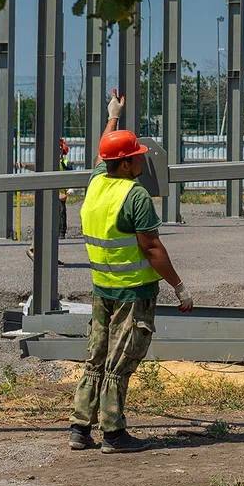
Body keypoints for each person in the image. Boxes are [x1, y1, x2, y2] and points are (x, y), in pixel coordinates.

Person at [68, 90, 193, 455]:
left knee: (96, 356)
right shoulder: (134, 195)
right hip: (132, 292)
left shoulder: (96, 181)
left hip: (101, 288)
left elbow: (100, 154)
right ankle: (114, 433)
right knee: (119, 361)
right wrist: (180, 287)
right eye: (136, 157)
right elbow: (151, 248)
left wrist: (113, 117)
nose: (141, 161)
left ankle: (80, 427)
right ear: (124, 165)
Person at [58, 138, 72, 239]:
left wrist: (69, 189)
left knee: (61, 211)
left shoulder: (65, 162)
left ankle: (61, 232)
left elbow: (71, 175)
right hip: (52, 192)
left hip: (61, 193)